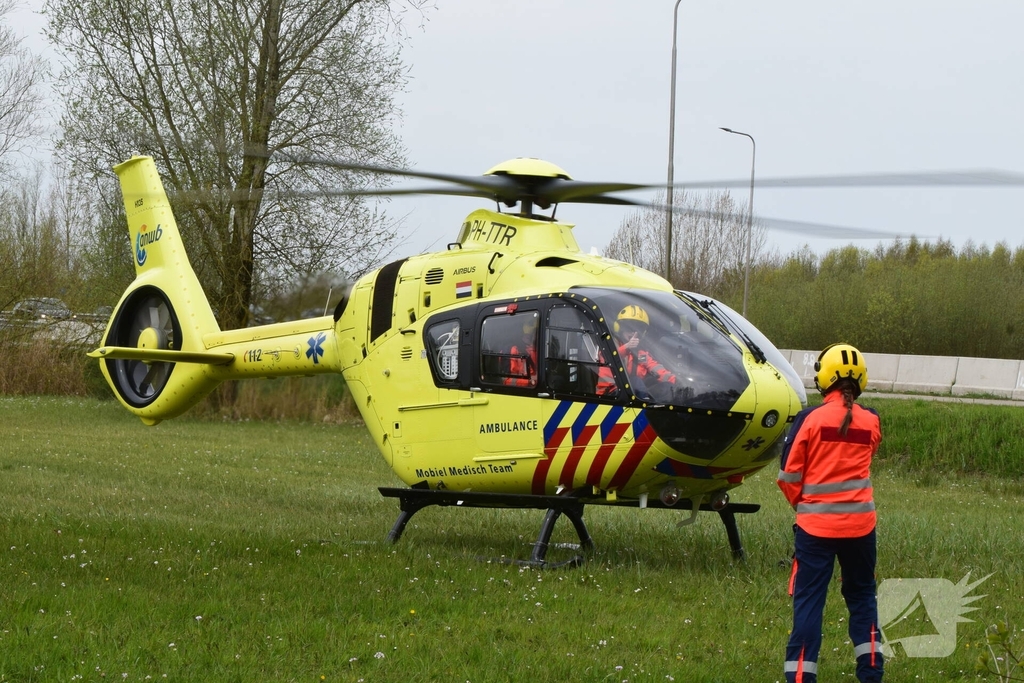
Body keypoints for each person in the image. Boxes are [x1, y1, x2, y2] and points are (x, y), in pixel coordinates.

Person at [777, 343, 883, 683]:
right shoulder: (872, 421)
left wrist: (804, 505)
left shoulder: (810, 419)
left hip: (816, 529)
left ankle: (800, 678)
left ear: (824, 378)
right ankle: (871, 674)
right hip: (861, 528)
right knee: (863, 597)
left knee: (809, 604)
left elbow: (788, 475)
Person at [602, 305, 676, 399]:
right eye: (629, 328)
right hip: (610, 394)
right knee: (636, 381)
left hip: (632, 395)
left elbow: (653, 366)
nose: (633, 333)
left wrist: (671, 379)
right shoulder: (611, 344)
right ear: (620, 328)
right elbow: (610, 357)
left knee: (664, 387)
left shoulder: (640, 352)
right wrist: (627, 347)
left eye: (637, 329)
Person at [505, 314, 538, 387]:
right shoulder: (513, 350)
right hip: (522, 392)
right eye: (530, 323)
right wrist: (528, 382)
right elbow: (507, 380)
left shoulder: (538, 349)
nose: (532, 328)